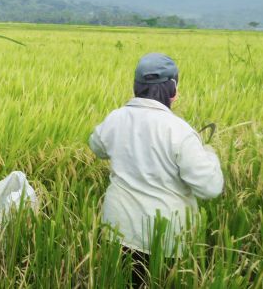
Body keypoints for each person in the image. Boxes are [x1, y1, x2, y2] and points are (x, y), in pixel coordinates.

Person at [89, 53, 223, 287]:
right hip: (164, 239)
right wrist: (209, 154)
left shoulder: (115, 118)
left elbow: (97, 146)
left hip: (117, 229)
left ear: (136, 86)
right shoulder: (180, 131)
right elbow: (210, 187)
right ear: (173, 89)